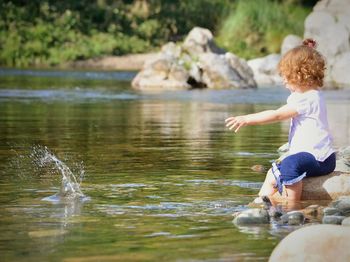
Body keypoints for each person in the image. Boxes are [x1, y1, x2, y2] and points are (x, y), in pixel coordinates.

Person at [225, 39, 336, 201]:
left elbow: (277, 115)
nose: (283, 80)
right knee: (274, 171)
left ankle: (292, 207)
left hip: (319, 159)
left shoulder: (307, 98)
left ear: (301, 74)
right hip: (317, 158)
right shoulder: (310, 96)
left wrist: (247, 118)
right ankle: (259, 204)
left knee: (290, 164)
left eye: (286, 76)